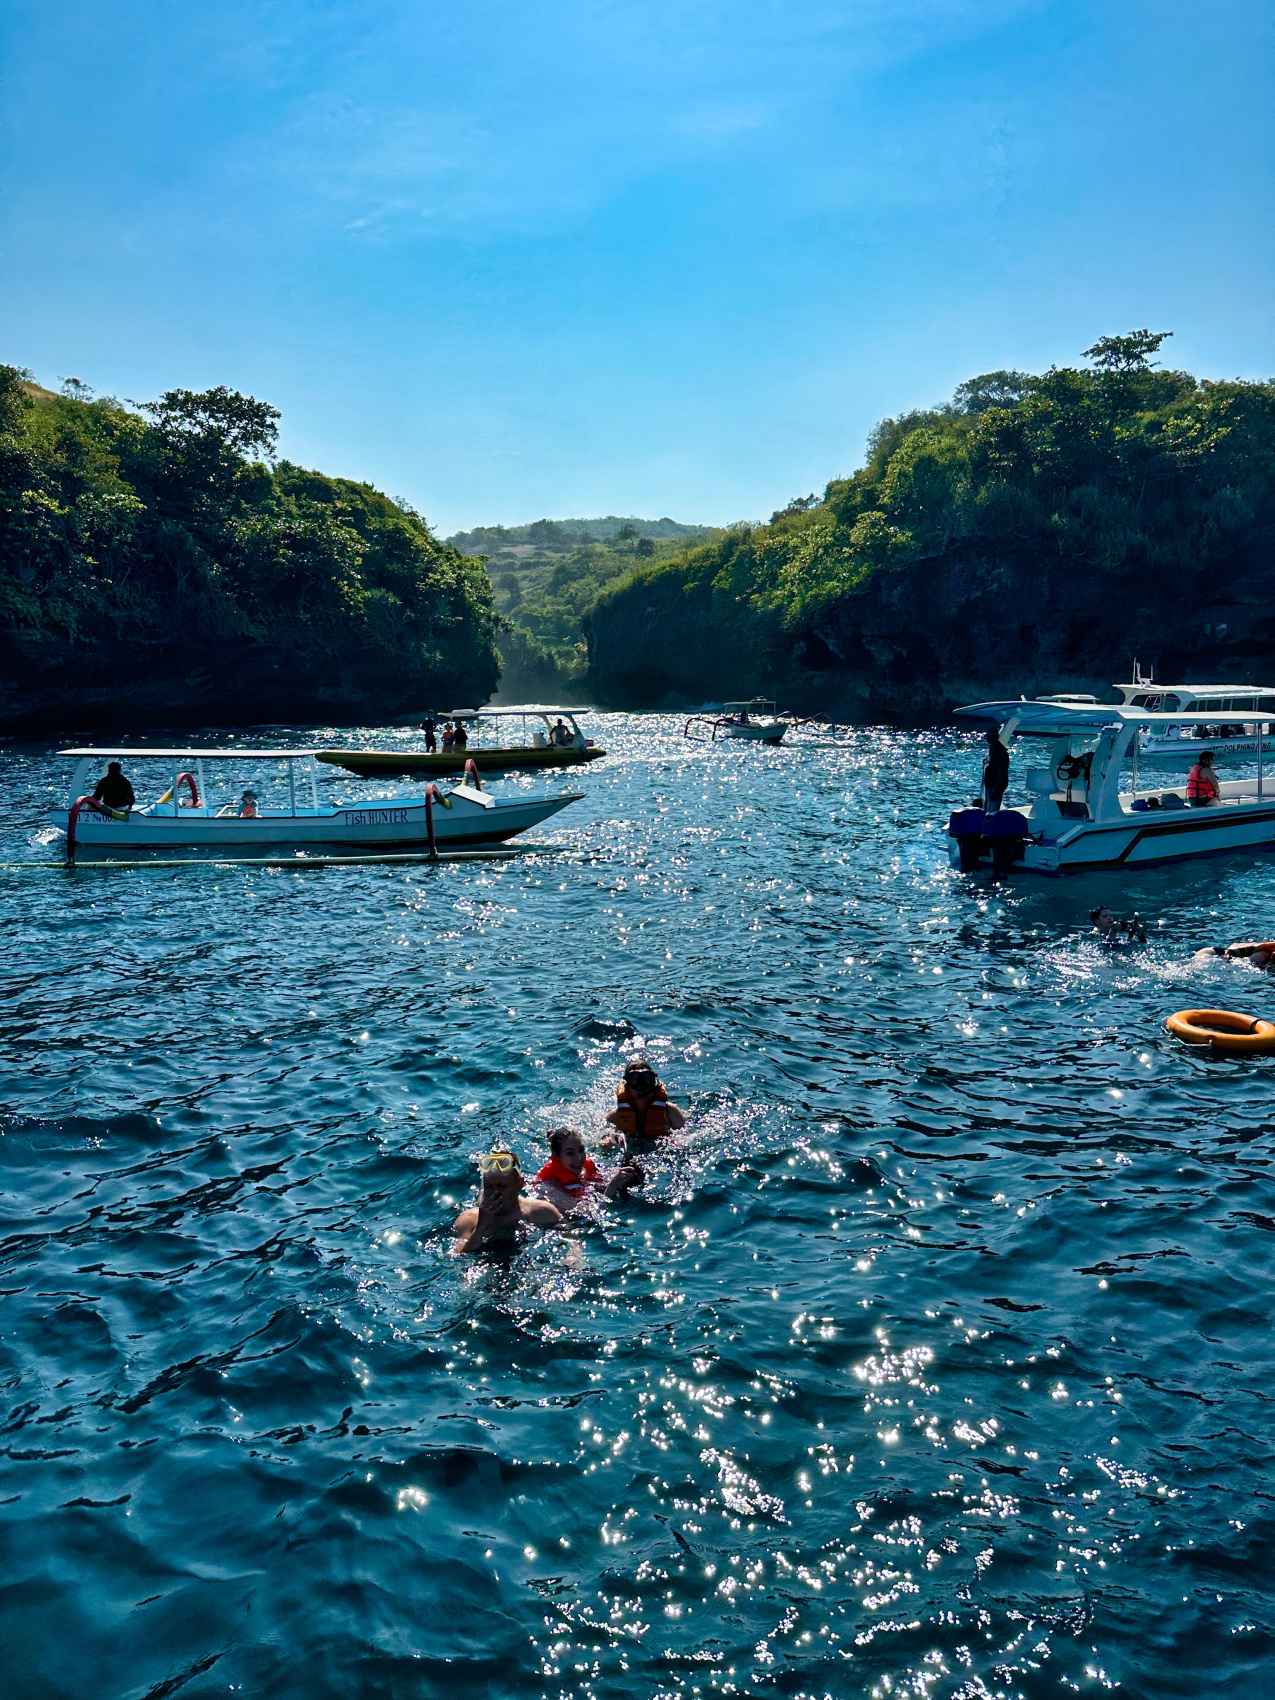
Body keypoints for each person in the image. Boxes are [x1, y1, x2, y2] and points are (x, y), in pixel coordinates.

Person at [452, 1150, 561, 1253]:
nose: (495, 1193)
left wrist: (570, 1257)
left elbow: (571, 1238)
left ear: (519, 1184)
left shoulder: (542, 1212)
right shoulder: (468, 1221)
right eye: (489, 1186)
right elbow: (457, 1258)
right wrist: (480, 1228)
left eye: (502, 1186)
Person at [534, 1127, 644, 1211]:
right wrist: (612, 1188)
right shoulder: (548, 1187)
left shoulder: (584, 1165)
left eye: (581, 1150)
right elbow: (587, 1212)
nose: (578, 1158)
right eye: (570, 1153)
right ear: (556, 1156)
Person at [604, 1058, 686, 1143]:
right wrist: (610, 1142)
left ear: (653, 1083)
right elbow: (603, 1141)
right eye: (634, 1080)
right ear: (627, 1085)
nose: (640, 1086)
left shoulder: (671, 1112)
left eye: (646, 1079)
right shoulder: (614, 1117)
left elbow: (685, 1138)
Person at [982, 728, 1009, 814]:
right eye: (988, 736)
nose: (989, 739)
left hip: (995, 785)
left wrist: (996, 789)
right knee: (987, 809)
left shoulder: (1000, 750)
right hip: (990, 784)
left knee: (992, 811)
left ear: (996, 737)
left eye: (992, 736)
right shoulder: (993, 748)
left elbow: (1002, 770)